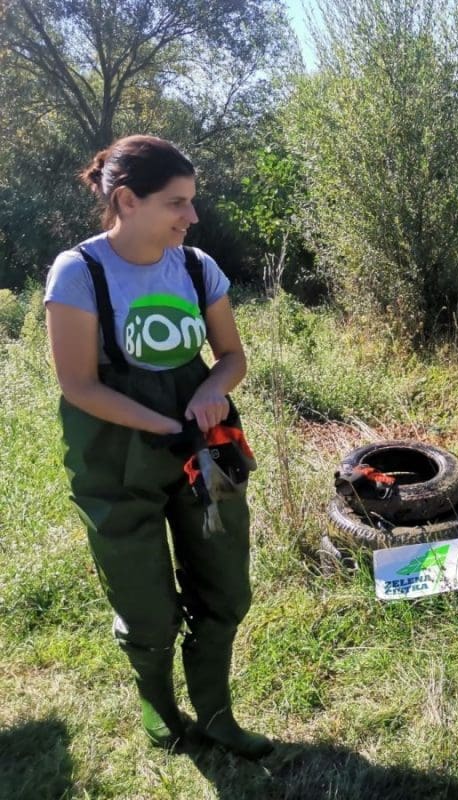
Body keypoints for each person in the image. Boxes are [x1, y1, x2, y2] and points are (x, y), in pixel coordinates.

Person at [44, 135, 271, 758]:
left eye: (191, 201)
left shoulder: (196, 267)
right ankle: (160, 708)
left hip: (206, 449)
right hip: (114, 454)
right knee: (145, 602)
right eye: (177, 203)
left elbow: (231, 356)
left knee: (225, 585)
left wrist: (212, 391)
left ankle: (217, 715)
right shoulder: (79, 272)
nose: (191, 216)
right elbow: (79, 385)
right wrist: (164, 425)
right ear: (126, 200)